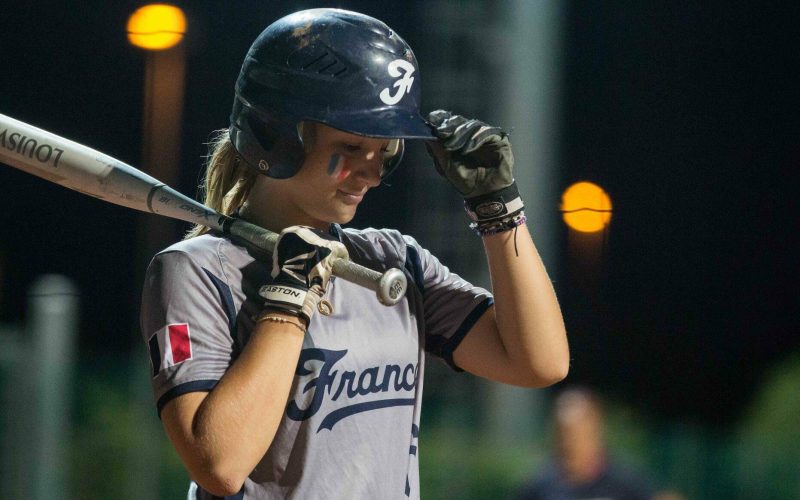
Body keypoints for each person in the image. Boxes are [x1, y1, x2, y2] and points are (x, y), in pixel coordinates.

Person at [140, 8, 569, 499]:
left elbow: (539, 363)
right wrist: (286, 302)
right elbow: (219, 463)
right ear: (277, 134)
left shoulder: (391, 260)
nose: (370, 173)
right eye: (350, 146)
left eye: (383, 151)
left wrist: (498, 210)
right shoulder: (195, 270)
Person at [515, 387, 656, 500]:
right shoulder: (538, 486)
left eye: (575, 435)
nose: (567, 444)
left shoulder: (626, 481)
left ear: (594, 432)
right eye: (561, 435)